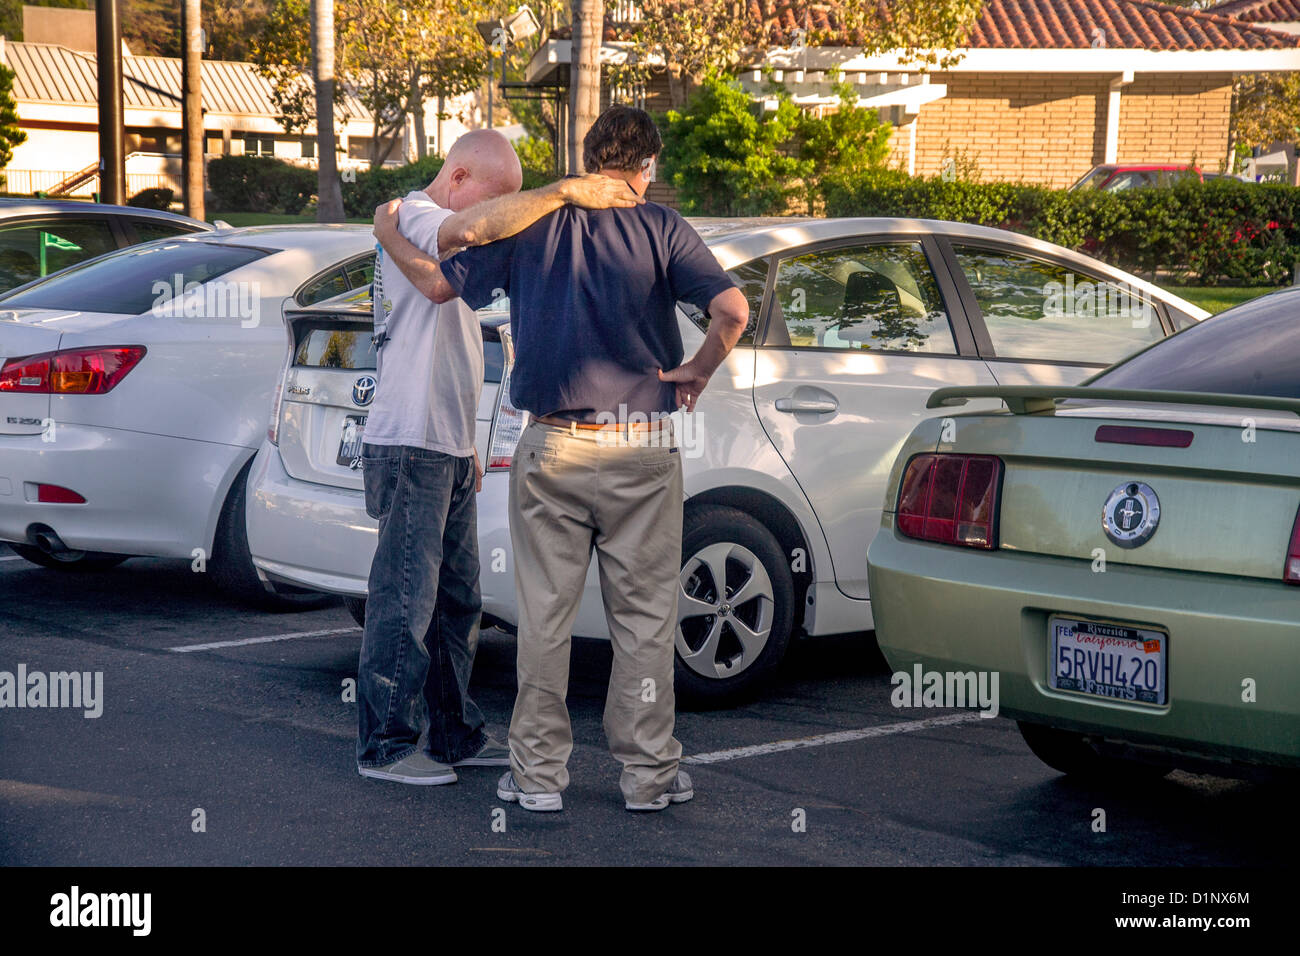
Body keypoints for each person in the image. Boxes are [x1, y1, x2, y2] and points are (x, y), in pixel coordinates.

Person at [371, 107, 749, 811]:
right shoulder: (664, 228)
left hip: (552, 447)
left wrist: (388, 228)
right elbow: (732, 310)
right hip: (643, 444)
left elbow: (439, 282)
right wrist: (697, 368)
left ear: (586, 157)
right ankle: (648, 776)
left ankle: (539, 777)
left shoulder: (531, 224)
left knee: (544, 618)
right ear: (648, 167)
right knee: (644, 623)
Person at [356, 128, 642, 786]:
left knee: (458, 602)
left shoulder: (410, 225)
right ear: (458, 180)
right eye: (492, 203)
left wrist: (471, 449)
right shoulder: (419, 217)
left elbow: (452, 336)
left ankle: (454, 734)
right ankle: (388, 747)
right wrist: (563, 192)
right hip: (412, 443)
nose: (494, 224)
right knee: (405, 600)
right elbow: (440, 277)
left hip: (447, 446)